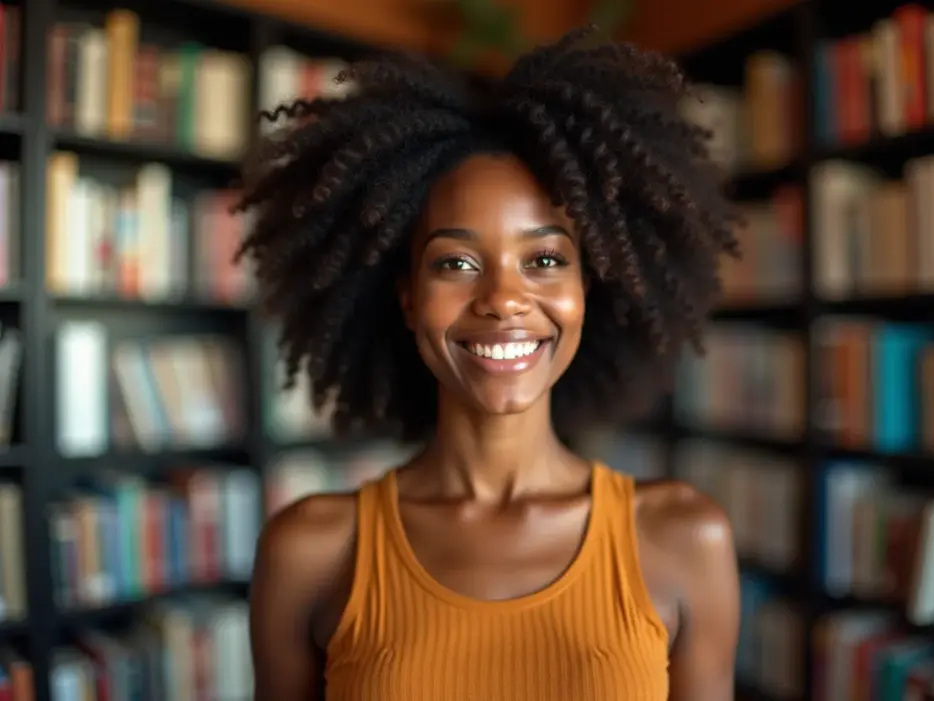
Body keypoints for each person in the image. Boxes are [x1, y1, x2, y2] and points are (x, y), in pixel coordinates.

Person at [236, 25, 741, 701]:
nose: (504, 299)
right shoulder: (310, 549)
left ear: (588, 286)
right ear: (408, 297)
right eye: (456, 262)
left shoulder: (686, 536)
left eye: (545, 260)